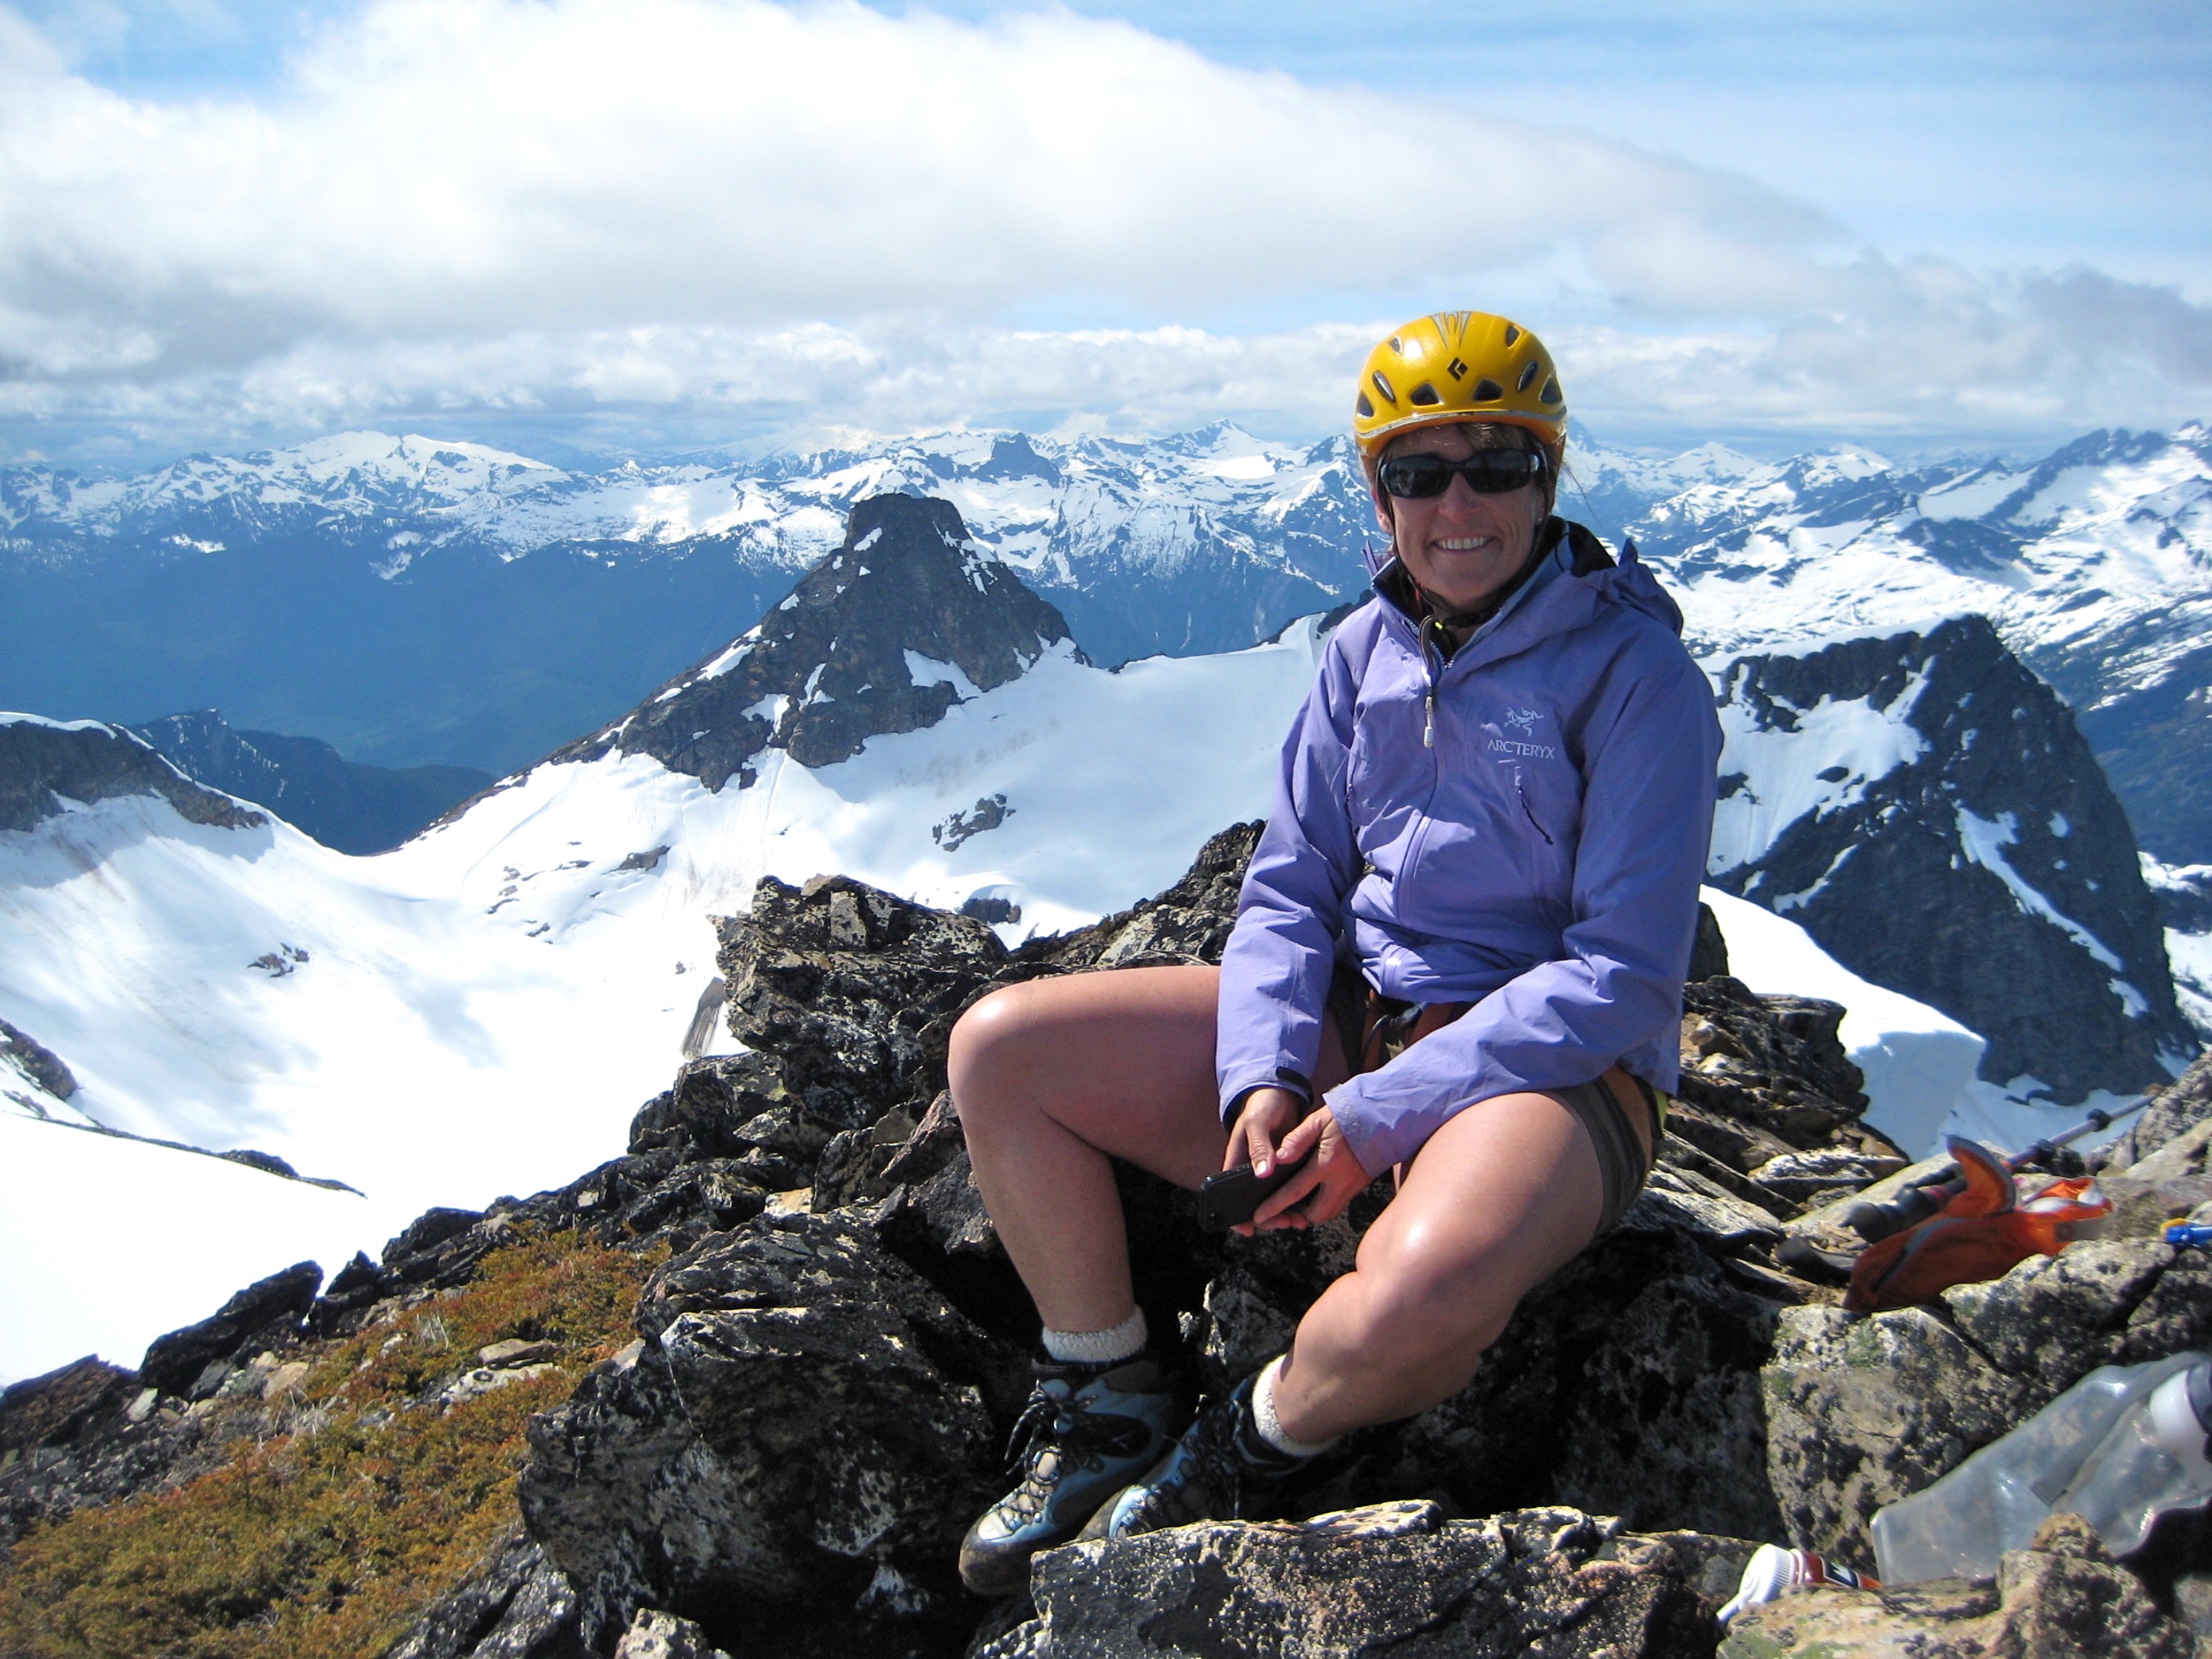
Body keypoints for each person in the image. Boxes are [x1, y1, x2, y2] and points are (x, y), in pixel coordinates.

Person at [949, 311, 1722, 1595]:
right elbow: (1293, 881)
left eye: (1497, 464)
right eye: (1419, 471)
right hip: (1360, 1022)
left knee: (1417, 1296)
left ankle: (1245, 1449)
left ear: (1548, 478)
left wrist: (1377, 1112)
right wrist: (1261, 1075)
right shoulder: (1362, 651)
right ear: (1379, 494)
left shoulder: (1637, 675)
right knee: (1002, 1051)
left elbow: (1622, 976)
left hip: (1553, 1077)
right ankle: (1109, 1392)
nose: (1457, 504)